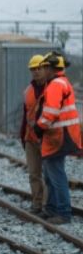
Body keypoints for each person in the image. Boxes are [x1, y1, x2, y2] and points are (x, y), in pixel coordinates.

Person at [36, 52, 81, 225]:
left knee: (56, 175)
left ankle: (62, 212)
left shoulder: (55, 84)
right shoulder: (62, 82)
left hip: (58, 136)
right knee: (50, 173)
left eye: (44, 67)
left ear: (50, 68)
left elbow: (51, 112)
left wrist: (39, 127)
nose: (42, 70)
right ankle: (52, 209)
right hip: (61, 135)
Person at [20, 54, 47, 215]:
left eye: (39, 68)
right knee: (34, 174)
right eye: (33, 69)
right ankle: (37, 204)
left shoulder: (51, 88)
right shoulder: (28, 91)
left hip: (47, 139)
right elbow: (25, 116)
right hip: (30, 138)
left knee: (49, 175)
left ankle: (47, 205)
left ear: (45, 68)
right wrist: (22, 135)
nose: (36, 72)